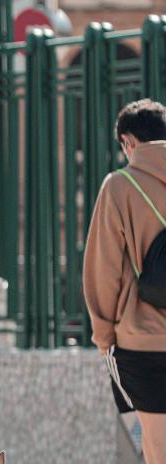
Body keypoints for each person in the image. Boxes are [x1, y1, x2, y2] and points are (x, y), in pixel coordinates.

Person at [84, 99, 166, 464]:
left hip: (142, 343)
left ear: (128, 141)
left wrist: (104, 338)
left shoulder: (119, 186)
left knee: (158, 446)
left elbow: (103, 271)